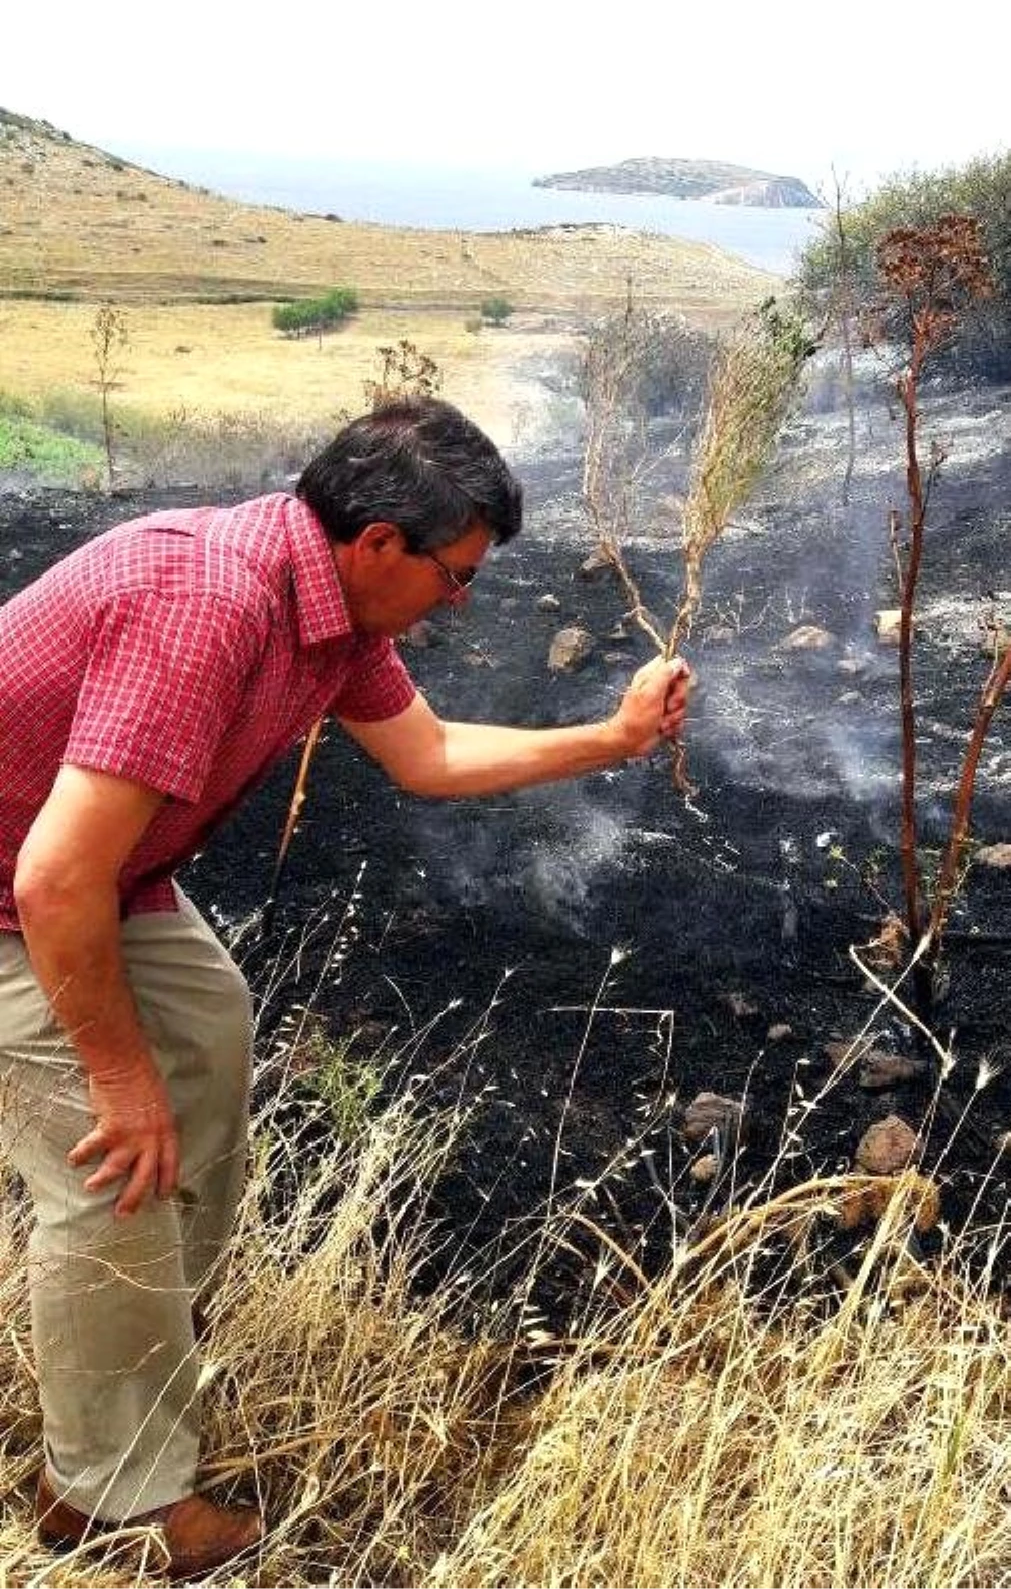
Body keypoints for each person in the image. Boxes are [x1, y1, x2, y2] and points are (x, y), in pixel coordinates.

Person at [0, 396, 689, 1577]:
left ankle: (137, 1353)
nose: (461, 600)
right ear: (378, 544)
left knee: (209, 1044)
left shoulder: (330, 612)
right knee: (110, 1160)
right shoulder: (206, 604)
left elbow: (427, 758)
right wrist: (119, 1078)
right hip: (25, 895)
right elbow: (55, 878)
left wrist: (614, 739)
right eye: (456, 574)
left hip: (106, 882)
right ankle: (102, 1497)